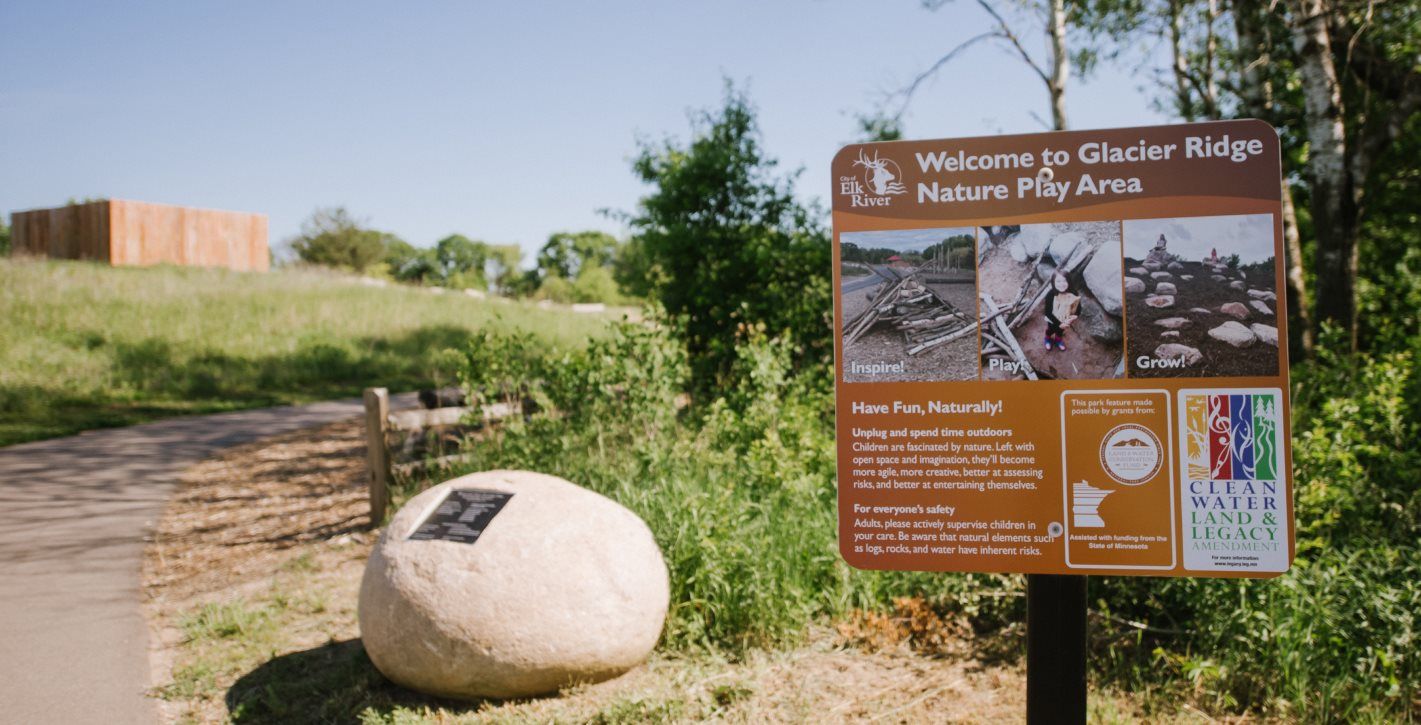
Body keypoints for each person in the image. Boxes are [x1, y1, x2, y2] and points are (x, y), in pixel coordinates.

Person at [1042, 272, 1077, 351]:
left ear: (1069, 281)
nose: (1062, 284)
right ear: (1053, 283)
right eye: (1058, 281)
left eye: (1064, 281)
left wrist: (1074, 316)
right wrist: (1060, 323)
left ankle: (1058, 340)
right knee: (1051, 329)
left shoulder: (1073, 292)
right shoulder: (1050, 295)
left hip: (1065, 318)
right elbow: (1048, 312)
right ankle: (1047, 338)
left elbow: (1077, 307)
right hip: (1052, 318)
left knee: (1060, 330)